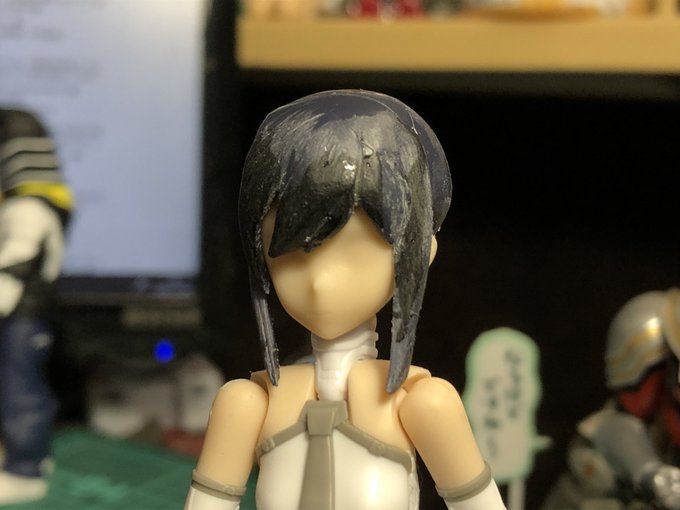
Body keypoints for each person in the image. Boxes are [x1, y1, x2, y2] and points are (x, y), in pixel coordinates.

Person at [184, 90, 507, 510]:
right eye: (288, 254)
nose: (319, 283)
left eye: (356, 256)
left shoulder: (424, 405)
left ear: (421, 252)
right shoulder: (248, 406)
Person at [0, 108, 74, 505]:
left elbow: (16, 266)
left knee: (19, 388)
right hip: (25, 315)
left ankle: (25, 469)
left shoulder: (27, 210)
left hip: (22, 315)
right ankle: (31, 455)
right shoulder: (35, 206)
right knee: (22, 385)